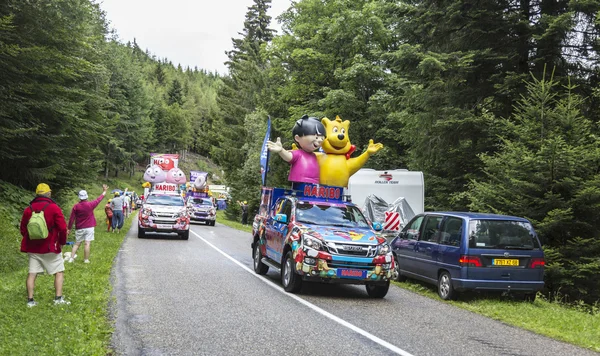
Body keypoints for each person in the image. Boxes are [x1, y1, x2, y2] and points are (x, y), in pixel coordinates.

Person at [20, 183, 69, 307]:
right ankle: (58, 299)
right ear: (49, 193)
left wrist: (32, 239)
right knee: (59, 271)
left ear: (37, 194)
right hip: (50, 247)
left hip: (33, 248)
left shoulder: (28, 209)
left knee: (32, 273)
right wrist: (62, 242)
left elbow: (23, 229)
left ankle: (30, 301)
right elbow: (63, 228)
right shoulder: (54, 208)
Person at [267, 115, 326, 184]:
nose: (319, 140)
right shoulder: (298, 154)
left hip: (314, 186)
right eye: (316, 137)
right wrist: (281, 150)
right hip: (299, 183)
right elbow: (289, 157)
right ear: (297, 138)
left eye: (322, 138)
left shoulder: (314, 156)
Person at [67, 184, 108, 264]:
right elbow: (99, 199)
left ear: (79, 197)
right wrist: (104, 191)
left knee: (77, 243)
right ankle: (86, 260)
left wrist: (69, 228)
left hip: (79, 227)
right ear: (86, 196)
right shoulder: (90, 204)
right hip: (89, 227)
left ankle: (71, 258)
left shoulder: (76, 207)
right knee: (87, 243)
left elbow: (72, 219)